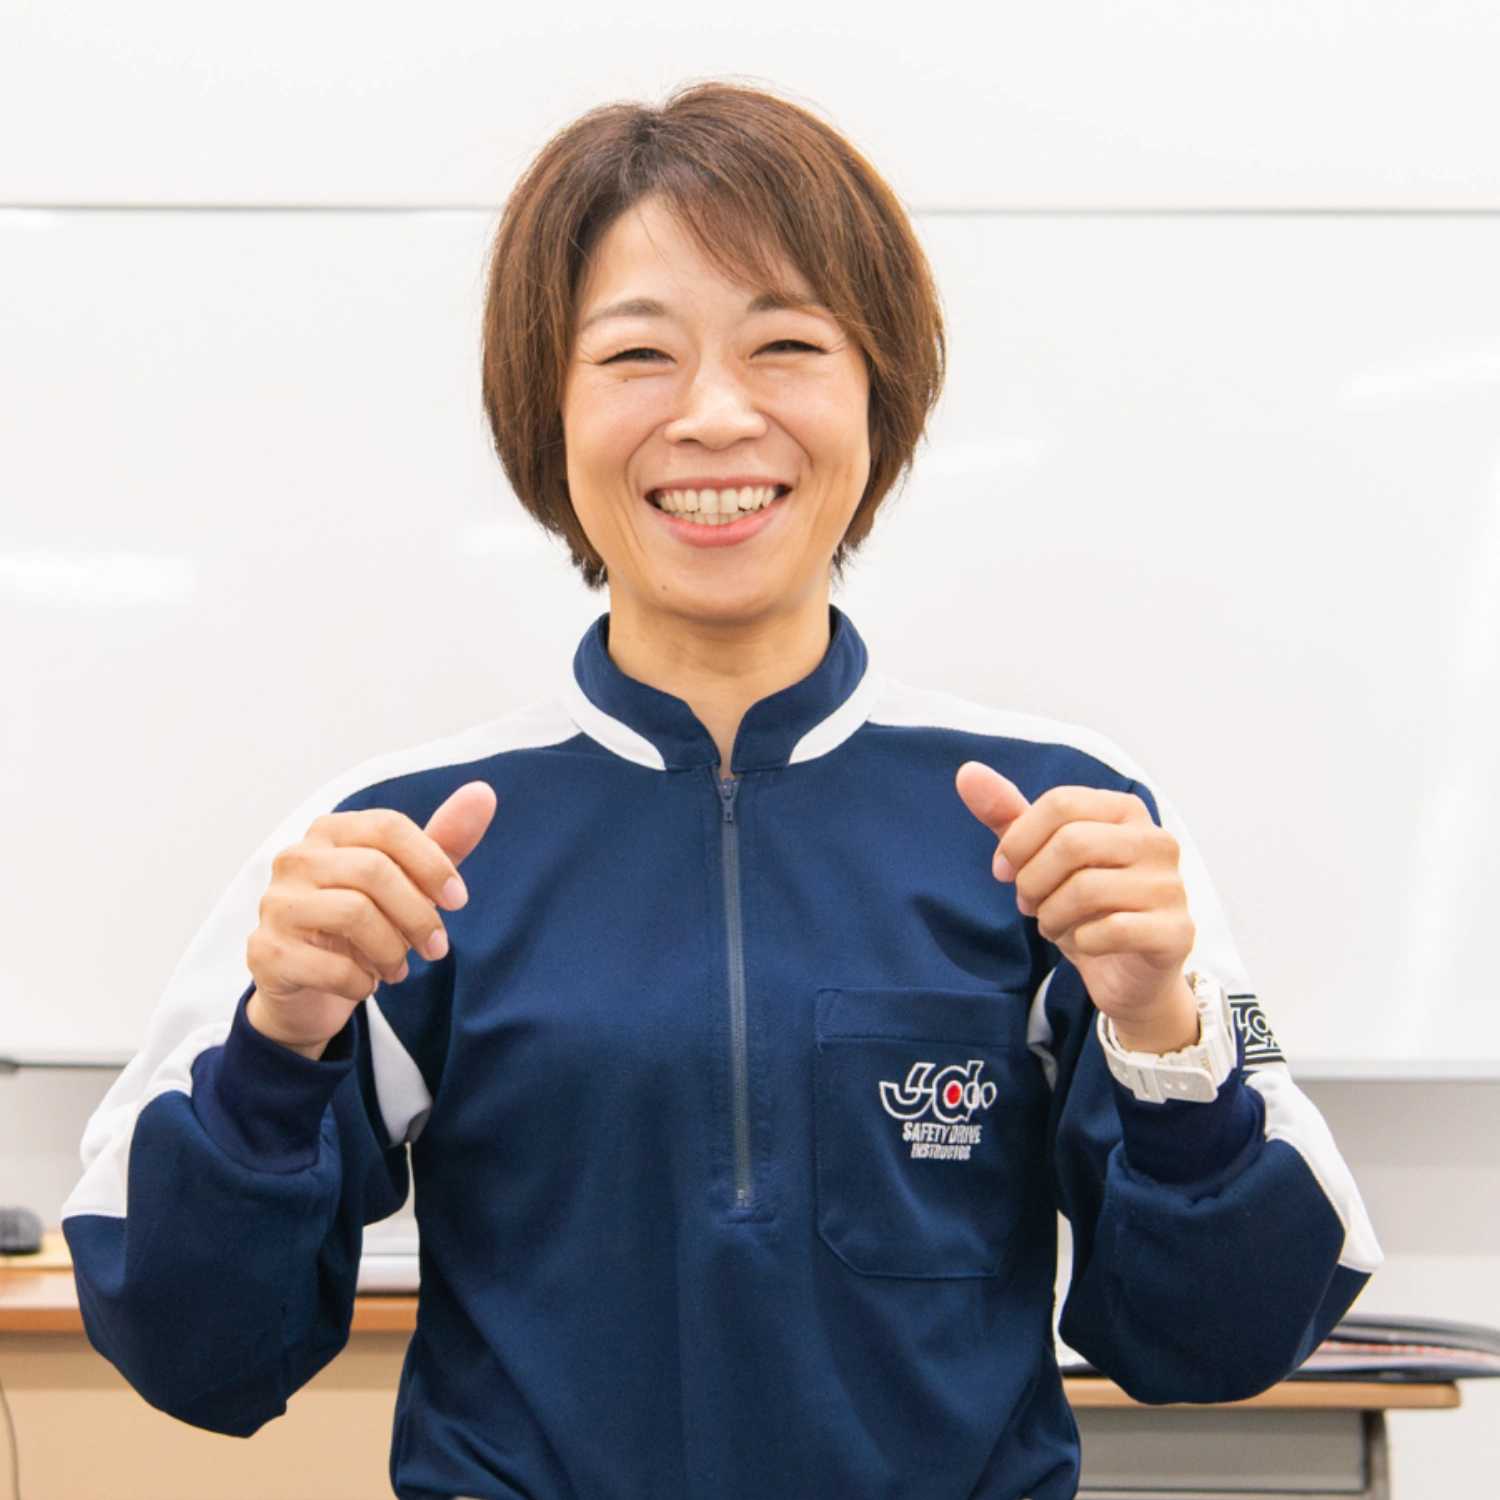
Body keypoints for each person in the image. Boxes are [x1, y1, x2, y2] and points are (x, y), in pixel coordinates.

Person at [64, 83, 1380, 1500]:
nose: (713, 415)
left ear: (878, 396)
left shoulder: (1073, 825)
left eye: (786, 344)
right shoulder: (387, 849)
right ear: (546, 410)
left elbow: (1224, 1336)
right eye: (638, 354)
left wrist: (1169, 1038)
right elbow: (197, 1351)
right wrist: (278, 1046)